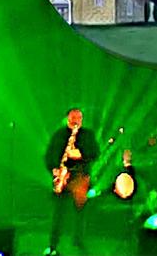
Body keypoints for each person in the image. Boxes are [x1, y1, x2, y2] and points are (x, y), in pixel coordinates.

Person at [44, 108, 100, 256]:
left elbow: (95, 153)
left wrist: (80, 154)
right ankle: (53, 244)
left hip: (80, 177)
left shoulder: (88, 135)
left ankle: (79, 241)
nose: (76, 120)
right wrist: (54, 169)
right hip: (62, 176)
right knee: (58, 212)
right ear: (67, 118)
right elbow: (49, 155)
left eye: (79, 117)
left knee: (80, 212)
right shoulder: (58, 135)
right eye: (73, 117)